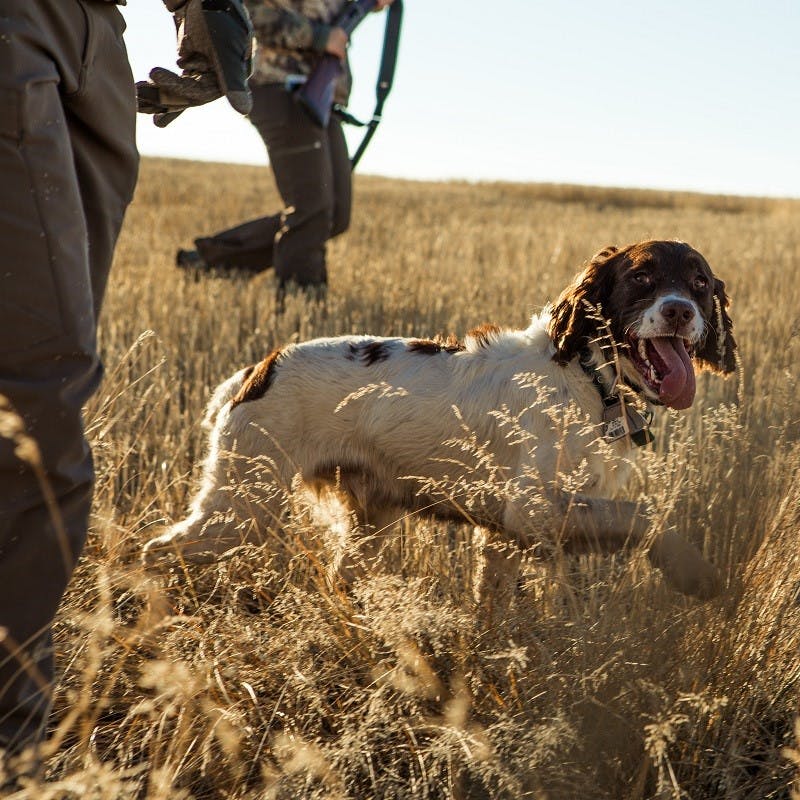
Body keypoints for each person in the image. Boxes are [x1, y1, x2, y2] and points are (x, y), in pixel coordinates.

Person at [0, 0, 252, 768]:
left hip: (99, 44)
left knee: (39, 375)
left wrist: (213, 30)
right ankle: (12, 736)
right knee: (40, 391)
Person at [176, 0, 395, 301]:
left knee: (335, 214)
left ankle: (209, 262)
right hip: (280, 89)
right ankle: (301, 310)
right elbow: (251, 13)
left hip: (321, 98)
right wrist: (319, 38)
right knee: (312, 209)